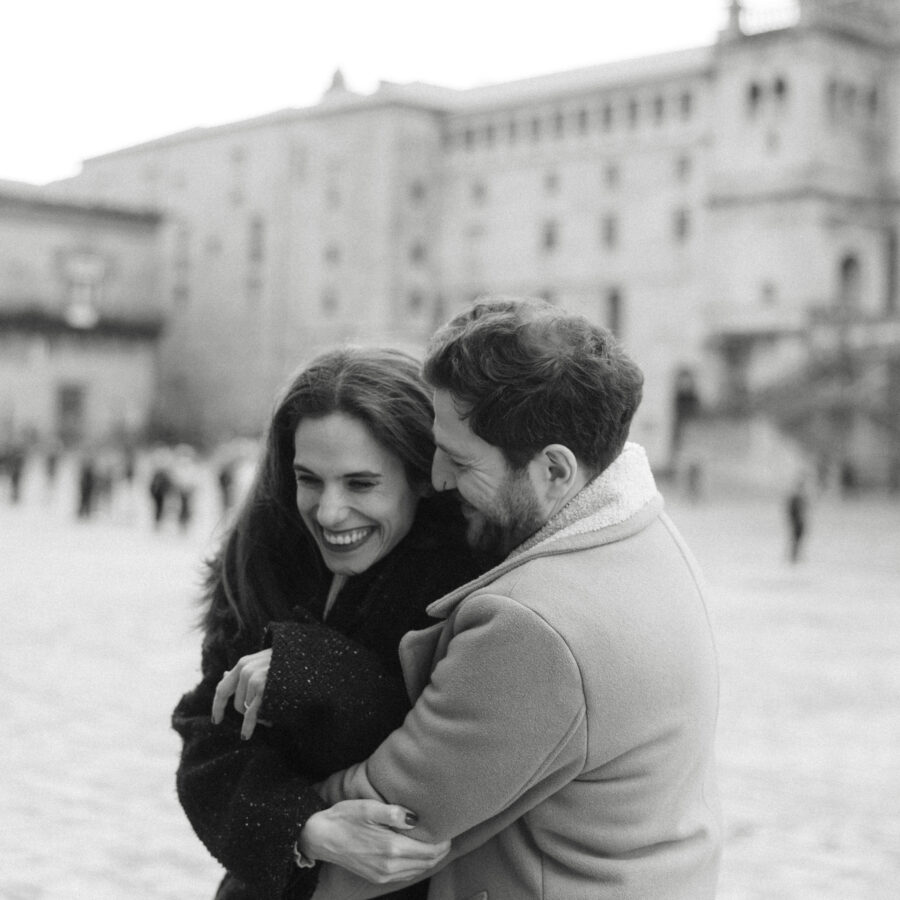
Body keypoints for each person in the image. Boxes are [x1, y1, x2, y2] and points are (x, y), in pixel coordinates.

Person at [301, 298, 722, 899]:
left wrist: (288, 816)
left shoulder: (535, 627)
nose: (438, 478)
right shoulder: (646, 531)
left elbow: (390, 818)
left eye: (460, 459)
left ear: (554, 470)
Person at [172, 347, 493, 900]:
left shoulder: (465, 583)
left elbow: (439, 742)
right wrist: (303, 828)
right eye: (309, 479)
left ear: (421, 475)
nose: (328, 511)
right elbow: (208, 736)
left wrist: (310, 670)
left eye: (361, 484)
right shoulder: (261, 556)